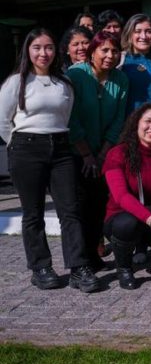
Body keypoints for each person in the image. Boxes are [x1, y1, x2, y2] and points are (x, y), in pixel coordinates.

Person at [0, 29, 100, 292]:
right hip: (25, 148)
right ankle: (41, 267)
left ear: (56, 51)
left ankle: (79, 267)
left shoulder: (64, 82)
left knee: (70, 209)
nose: (43, 53)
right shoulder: (16, 82)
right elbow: (2, 119)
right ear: (27, 51)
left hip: (61, 149)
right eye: (37, 48)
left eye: (49, 47)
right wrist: (15, 144)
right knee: (33, 213)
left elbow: (65, 116)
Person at [67, 31, 129, 270]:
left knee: (98, 204)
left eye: (115, 51)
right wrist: (86, 154)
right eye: (104, 50)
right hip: (76, 153)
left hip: (105, 153)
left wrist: (102, 154)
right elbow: (71, 118)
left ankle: (94, 255)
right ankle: (80, 261)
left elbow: (118, 120)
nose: (110, 55)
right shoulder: (75, 75)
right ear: (92, 52)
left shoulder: (121, 79)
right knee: (78, 206)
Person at [102, 104, 151, 289]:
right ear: (136, 125)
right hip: (121, 219)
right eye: (148, 121)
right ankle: (124, 268)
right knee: (127, 224)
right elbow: (121, 196)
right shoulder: (118, 154)